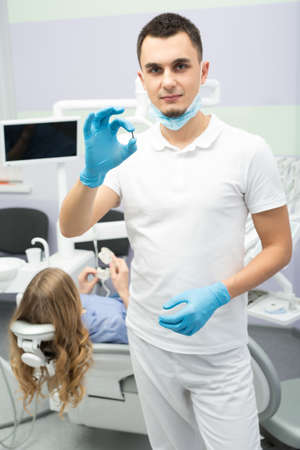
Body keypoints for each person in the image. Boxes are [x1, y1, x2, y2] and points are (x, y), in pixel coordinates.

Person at [59, 12, 292, 450]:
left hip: (218, 350)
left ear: (203, 72)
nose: (168, 80)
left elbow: (279, 247)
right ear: (142, 79)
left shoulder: (247, 151)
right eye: (155, 69)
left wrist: (219, 293)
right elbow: (72, 224)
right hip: (150, 345)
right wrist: (90, 173)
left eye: (180, 66)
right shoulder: (129, 154)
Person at [9, 253, 130, 415]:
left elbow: (67, 318)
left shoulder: (57, 324)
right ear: (69, 300)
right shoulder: (112, 325)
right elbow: (145, 332)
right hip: (131, 311)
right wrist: (123, 290)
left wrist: (83, 294)